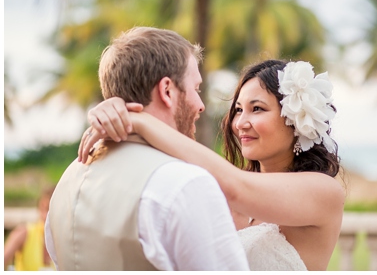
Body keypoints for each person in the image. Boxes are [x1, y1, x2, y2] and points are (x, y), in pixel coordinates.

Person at [81, 59, 345, 271]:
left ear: (295, 120)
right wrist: (118, 108)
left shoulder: (324, 192)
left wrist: (140, 121)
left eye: (257, 109)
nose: (240, 123)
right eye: (239, 110)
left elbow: (237, 189)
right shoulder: (220, 184)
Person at [45, 26, 249, 270]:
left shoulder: (68, 179)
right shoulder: (184, 184)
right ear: (166, 91)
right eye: (196, 89)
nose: (201, 104)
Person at [4, 187, 55, 271]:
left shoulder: (62, 240)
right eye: (43, 209)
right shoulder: (24, 233)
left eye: (49, 210)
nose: (45, 216)